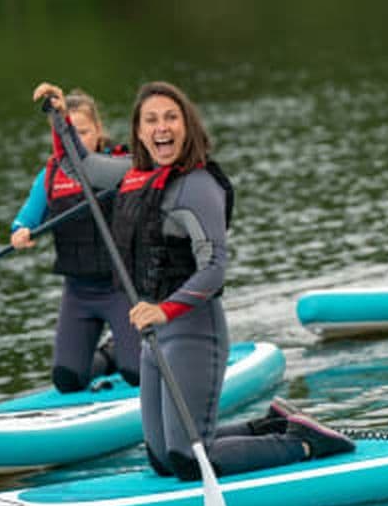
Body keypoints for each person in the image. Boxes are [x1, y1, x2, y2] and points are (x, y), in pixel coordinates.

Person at [33, 80, 355, 479]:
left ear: (187, 127)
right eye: (151, 120)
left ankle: (304, 443)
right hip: (155, 337)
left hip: (194, 331)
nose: (161, 127)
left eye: (171, 117)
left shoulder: (198, 186)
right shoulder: (133, 175)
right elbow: (78, 167)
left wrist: (164, 311)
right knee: (162, 459)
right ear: (138, 132)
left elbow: (214, 269)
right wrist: (59, 118)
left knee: (188, 460)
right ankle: (271, 425)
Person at [11, 89, 141, 392]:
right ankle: (108, 357)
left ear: (98, 130)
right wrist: (20, 231)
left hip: (122, 287)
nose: (76, 140)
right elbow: (27, 218)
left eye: (83, 132)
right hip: (78, 293)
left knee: (137, 372)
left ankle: (131, 352)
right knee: (67, 380)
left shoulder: (119, 165)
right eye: (70, 133)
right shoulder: (50, 175)